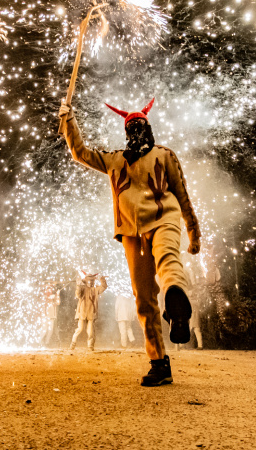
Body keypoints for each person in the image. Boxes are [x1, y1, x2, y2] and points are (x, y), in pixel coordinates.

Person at [59, 97, 202, 386]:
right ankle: (159, 362)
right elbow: (81, 153)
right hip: (132, 235)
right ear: (127, 132)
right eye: (132, 127)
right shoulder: (115, 160)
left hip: (164, 221)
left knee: (168, 262)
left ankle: (177, 304)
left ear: (148, 129)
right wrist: (69, 122)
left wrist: (193, 231)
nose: (136, 131)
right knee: (143, 300)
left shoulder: (164, 155)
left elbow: (182, 194)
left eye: (140, 126)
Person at [71, 272, 108, 350]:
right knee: (80, 329)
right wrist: (78, 285)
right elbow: (78, 295)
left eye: (92, 280)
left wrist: (102, 280)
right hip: (82, 313)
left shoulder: (95, 289)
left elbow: (104, 287)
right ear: (86, 280)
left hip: (91, 313)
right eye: (89, 280)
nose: (91, 282)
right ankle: (73, 343)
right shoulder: (82, 288)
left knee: (90, 331)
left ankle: (90, 345)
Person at [41, 281, 61, 347]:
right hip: (45, 314)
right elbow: (44, 300)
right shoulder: (43, 294)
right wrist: (50, 298)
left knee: (50, 330)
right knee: (44, 330)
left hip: (52, 315)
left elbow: (58, 302)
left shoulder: (54, 294)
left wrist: (57, 295)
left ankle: (46, 343)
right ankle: (39, 341)